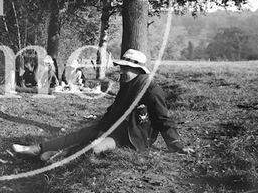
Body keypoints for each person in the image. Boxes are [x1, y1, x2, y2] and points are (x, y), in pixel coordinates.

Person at [13, 49, 194, 160]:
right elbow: (114, 110)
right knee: (80, 134)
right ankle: (38, 148)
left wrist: (177, 145)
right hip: (115, 128)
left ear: (138, 70)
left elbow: (163, 119)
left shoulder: (151, 89)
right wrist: (103, 127)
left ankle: (55, 156)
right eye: (122, 67)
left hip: (133, 137)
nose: (122, 71)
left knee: (94, 147)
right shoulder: (127, 84)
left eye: (126, 68)